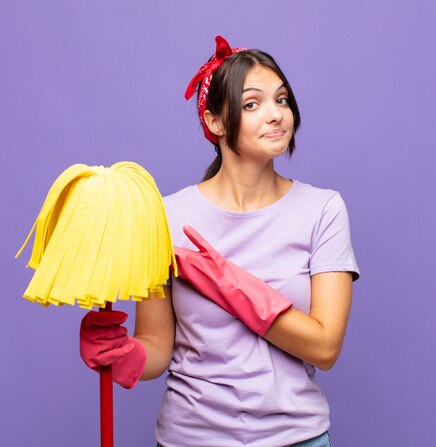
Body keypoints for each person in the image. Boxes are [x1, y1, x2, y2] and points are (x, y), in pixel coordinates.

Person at [79, 36, 360, 447]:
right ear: (214, 122)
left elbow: (325, 346)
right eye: (252, 104)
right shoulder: (167, 217)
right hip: (191, 438)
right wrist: (126, 354)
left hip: (296, 439)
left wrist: (228, 283)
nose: (275, 115)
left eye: (282, 100)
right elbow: (158, 343)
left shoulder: (323, 210)